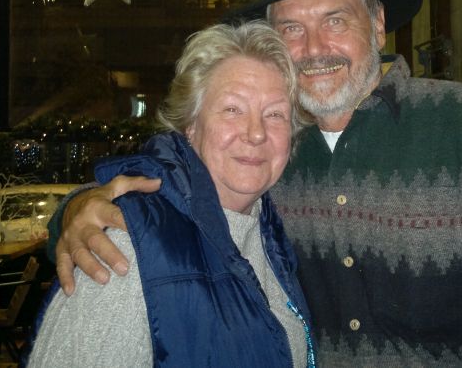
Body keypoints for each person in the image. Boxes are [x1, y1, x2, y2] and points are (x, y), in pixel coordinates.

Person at [51, 0, 462, 366]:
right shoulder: (269, 149)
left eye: (335, 20)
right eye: (291, 30)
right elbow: (173, 178)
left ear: (377, 25)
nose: (313, 48)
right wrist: (77, 211)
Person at [28, 22, 314, 368]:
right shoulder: (128, 247)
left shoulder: (269, 233)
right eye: (232, 109)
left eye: (275, 114)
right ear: (190, 126)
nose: (256, 133)